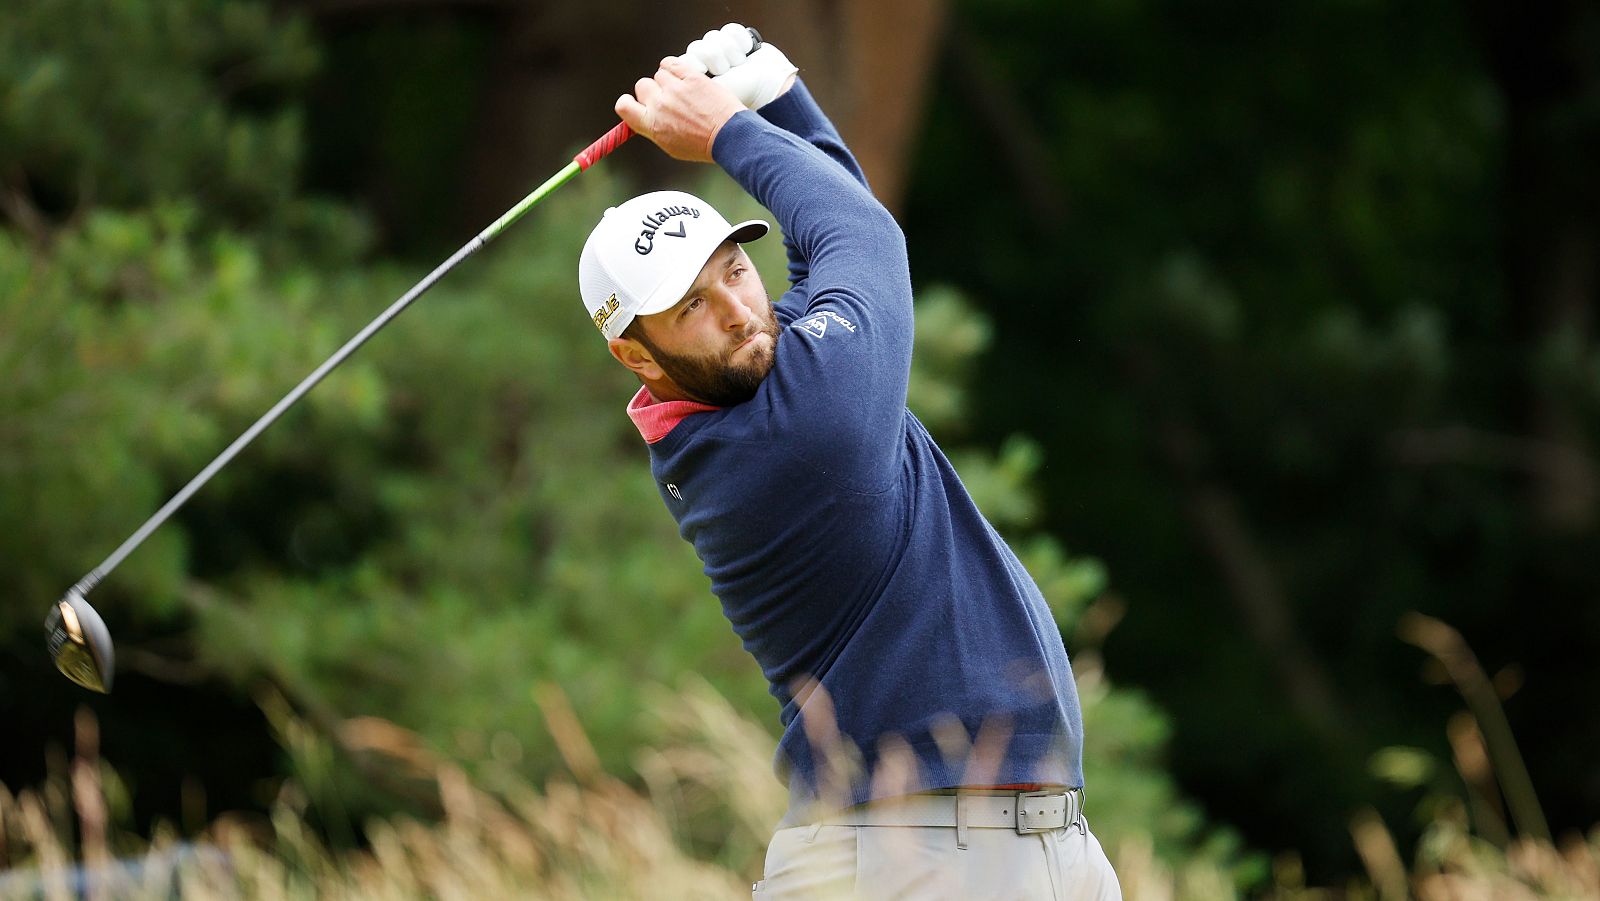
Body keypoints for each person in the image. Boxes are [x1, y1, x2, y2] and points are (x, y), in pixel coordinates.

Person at [578, 24, 1122, 900]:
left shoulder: (757, 389)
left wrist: (778, 92)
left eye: (733, 270)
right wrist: (728, 132)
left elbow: (839, 221)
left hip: (993, 845)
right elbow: (866, 241)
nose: (738, 309)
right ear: (636, 355)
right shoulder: (790, 438)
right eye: (689, 306)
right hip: (921, 855)